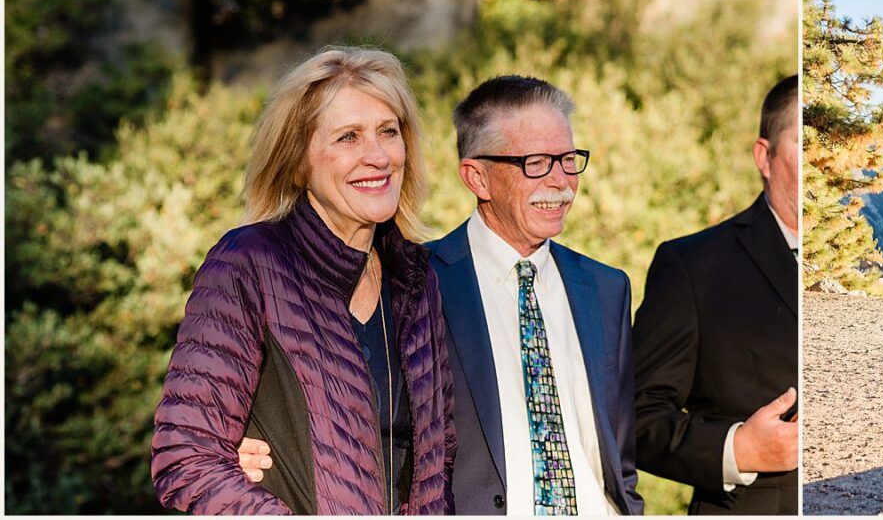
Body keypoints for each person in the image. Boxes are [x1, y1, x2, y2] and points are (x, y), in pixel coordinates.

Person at [150, 46, 455, 515]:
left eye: (388, 132)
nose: (377, 156)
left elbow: (438, 464)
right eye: (348, 137)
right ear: (297, 164)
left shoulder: (417, 278)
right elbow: (186, 458)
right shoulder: (248, 263)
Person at [427, 75, 643, 514]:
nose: (562, 182)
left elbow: (617, 456)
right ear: (477, 177)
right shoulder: (416, 283)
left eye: (567, 159)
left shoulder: (606, 288)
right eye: (537, 163)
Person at [633, 75, 800, 514]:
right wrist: (735, 450)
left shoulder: (859, 271)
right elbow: (637, 415)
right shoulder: (692, 265)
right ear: (765, 157)